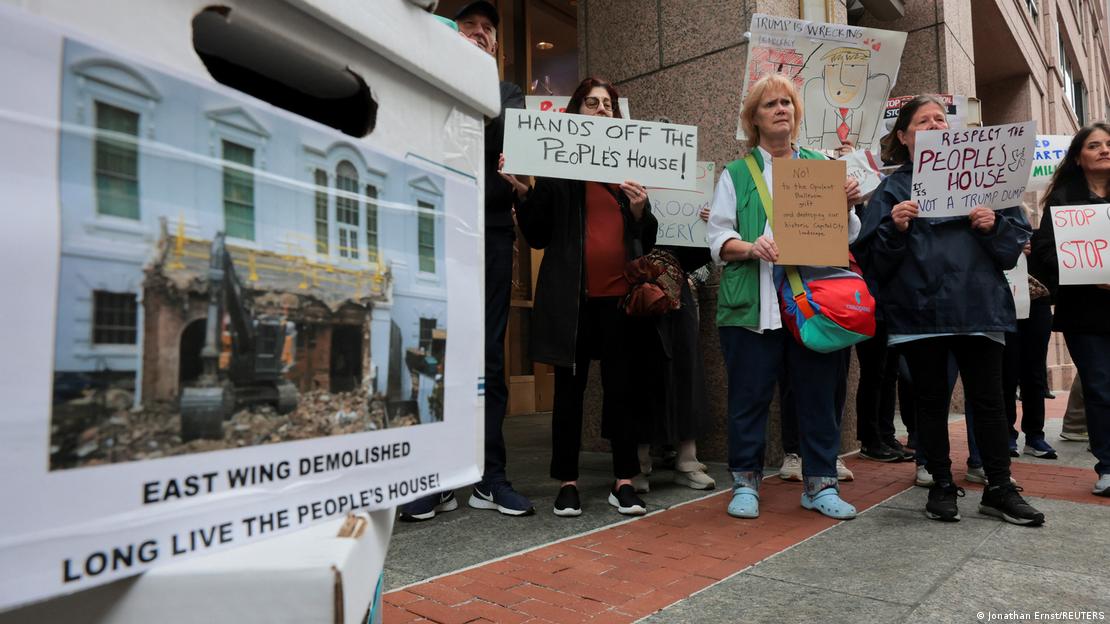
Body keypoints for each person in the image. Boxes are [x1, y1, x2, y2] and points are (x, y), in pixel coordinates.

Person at [856, 94, 1044, 525]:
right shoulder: (892, 190)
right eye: (923, 121)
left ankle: (999, 486)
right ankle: (941, 483)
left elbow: (1012, 248)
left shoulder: (986, 179)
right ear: (903, 137)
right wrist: (894, 229)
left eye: (941, 119)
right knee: (930, 402)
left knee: (991, 401)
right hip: (920, 312)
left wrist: (994, 227)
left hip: (979, 306)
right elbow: (874, 263)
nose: (936, 126)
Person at [399, 0, 534, 521]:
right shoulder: (425, 83)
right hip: (434, 231)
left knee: (489, 359)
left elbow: (502, 139)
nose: (478, 34)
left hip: (492, 236)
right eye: (468, 27)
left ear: (497, 46)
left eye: (487, 30)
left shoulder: (506, 95)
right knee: (434, 350)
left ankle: (488, 475)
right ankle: (434, 476)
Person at [709, 73, 861, 521]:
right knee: (749, 397)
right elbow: (718, 239)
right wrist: (752, 246)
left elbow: (846, 237)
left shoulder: (819, 165)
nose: (781, 109)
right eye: (770, 104)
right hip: (753, 308)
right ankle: (745, 483)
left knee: (817, 396)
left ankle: (820, 485)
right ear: (753, 118)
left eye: (787, 103)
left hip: (810, 306)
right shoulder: (736, 173)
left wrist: (849, 205)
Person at [504, 77, 659, 516]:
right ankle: (567, 482)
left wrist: (637, 210)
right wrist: (524, 191)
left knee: (621, 392)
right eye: (592, 103)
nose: (601, 110)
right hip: (571, 304)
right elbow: (537, 236)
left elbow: (646, 239)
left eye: (607, 104)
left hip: (620, 302)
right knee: (569, 395)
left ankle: (623, 481)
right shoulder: (558, 171)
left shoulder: (627, 171)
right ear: (575, 112)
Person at [1029, 122, 1110, 497]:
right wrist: (1086, 272)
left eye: (1109, 144)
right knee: (1099, 386)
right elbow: (1044, 252)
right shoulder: (1062, 200)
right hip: (1085, 312)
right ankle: (1107, 466)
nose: (1104, 150)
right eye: (1094, 145)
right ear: (1079, 157)